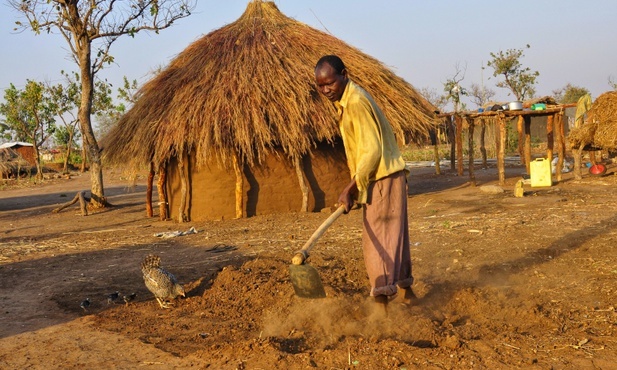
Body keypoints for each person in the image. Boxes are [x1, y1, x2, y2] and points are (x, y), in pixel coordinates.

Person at [314, 55, 415, 313]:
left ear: (344, 75)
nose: (326, 90)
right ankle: (407, 293)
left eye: (330, 83)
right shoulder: (349, 100)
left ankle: (381, 304)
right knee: (396, 235)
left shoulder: (356, 101)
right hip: (386, 175)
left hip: (381, 177)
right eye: (320, 85)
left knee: (377, 240)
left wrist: (351, 187)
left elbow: (371, 152)